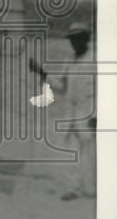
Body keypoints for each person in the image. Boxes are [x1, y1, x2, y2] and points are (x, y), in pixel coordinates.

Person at [29, 22, 96, 201]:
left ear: (87, 39)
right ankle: (74, 188)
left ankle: (91, 189)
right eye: (72, 39)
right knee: (65, 151)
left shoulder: (95, 60)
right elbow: (61, 87)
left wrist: (97, 116)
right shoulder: (69, 60)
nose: (75, 43)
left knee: (88, 152)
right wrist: (41, 73)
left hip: (88, 114)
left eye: (79, 38)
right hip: (70, 114)